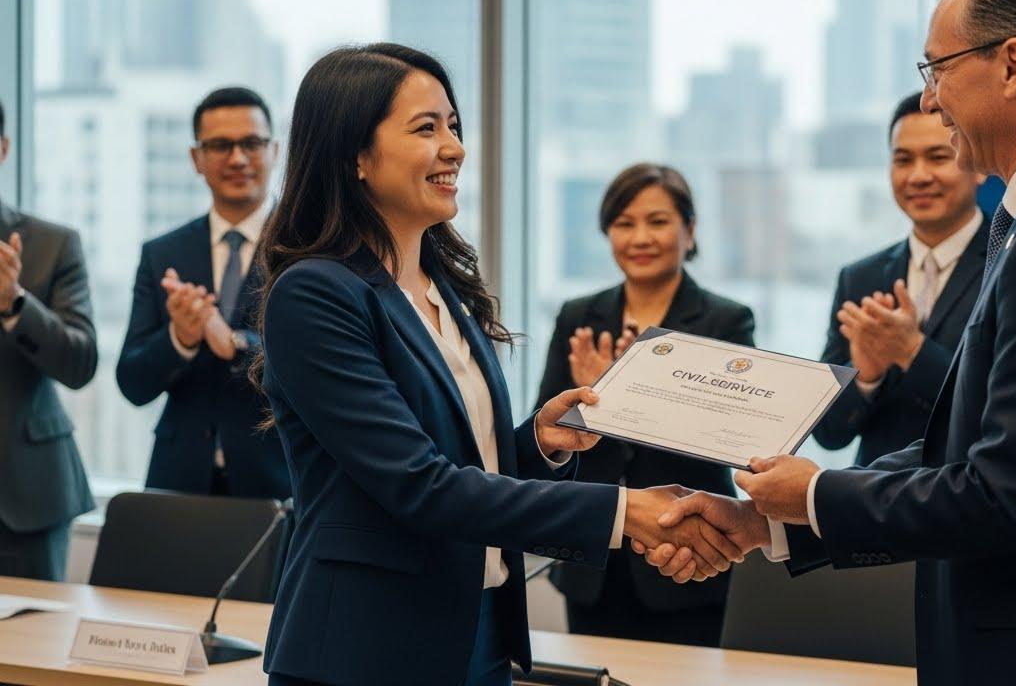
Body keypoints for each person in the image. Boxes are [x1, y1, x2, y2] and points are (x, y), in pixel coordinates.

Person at [640, 0, 1016, 685]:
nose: (928, 101)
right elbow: (969, 451)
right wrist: (770, 522)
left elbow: (1007, 497)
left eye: (937, 69)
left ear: (1012, 65)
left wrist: (815, 492)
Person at [254, 43, 741, 686]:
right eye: (426, 128)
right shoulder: (316, 293)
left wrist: (537, 441)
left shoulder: (441, 288)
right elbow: (418, 486)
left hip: (477, 633)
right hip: (365, 648)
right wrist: (627, 513)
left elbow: (464, 465)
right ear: (356, 156)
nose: (455, 147)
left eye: (454, 126)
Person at [537, 163, 754, 646]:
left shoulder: (725, 321)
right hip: (593, 554)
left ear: (690, 230)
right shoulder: (579, 317)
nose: (640, 237)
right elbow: (545, 441)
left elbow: (730, 436)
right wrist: (585, 402)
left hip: (689, 554)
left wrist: (624, 398)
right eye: (624, 223)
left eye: (657, 222)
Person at [115, 88, 290, 499]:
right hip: (179, 481)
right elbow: (132, 383)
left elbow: (318, 371)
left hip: (278, 480)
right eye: (219, 145)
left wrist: (234, 343)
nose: (237, 158)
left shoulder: (305, 248)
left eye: (251, 143)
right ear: (197, 158)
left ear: (275, 150)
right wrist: (180, 338)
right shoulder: (162, 254)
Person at [812, 92, 987, 465]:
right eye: (903, 160)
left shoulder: (1009, 262)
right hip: (867, 508)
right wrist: (866, 378)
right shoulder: (860, 278)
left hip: (970, 501)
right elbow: (827, 434)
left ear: (979, 163)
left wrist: (911, 351)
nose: (919, 176)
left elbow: (996, 408)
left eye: (939, 157)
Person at [0, 97, 98, 580]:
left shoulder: (50, 244)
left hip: (25, 498)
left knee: (33, 652)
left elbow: (80, 363)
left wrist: (15, 302)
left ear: (3, 149)